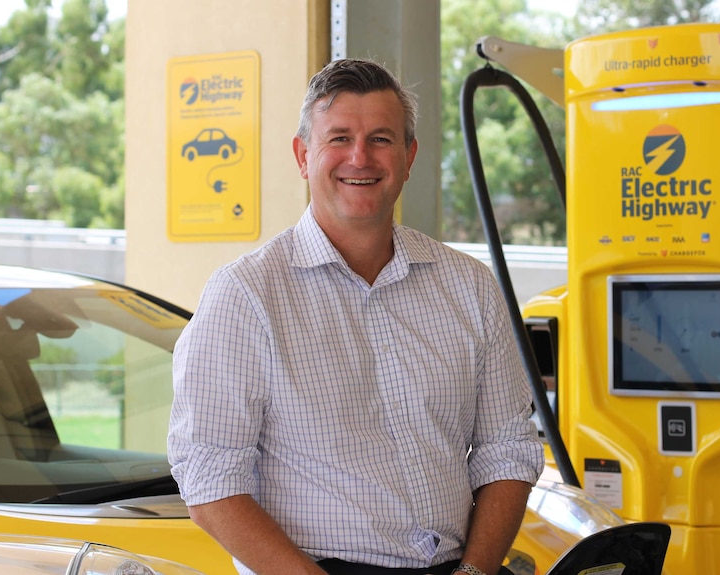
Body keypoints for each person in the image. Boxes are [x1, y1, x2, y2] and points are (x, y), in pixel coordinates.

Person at [167, 57, 544, 575]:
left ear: (409, 157)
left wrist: (476, 570)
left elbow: (507, 448)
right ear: (303, 156)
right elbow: (210, 482)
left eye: (382, 139)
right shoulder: (245, 297)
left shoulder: (470, 287)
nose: (360, 157)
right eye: (339, 138)